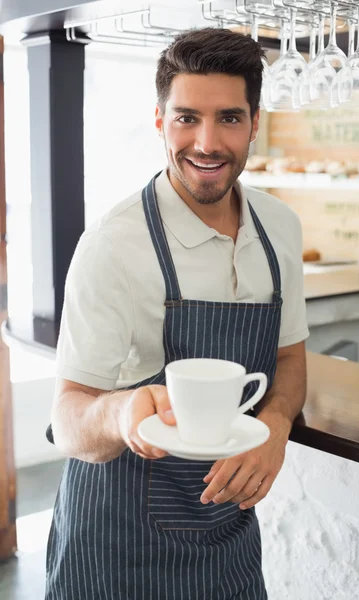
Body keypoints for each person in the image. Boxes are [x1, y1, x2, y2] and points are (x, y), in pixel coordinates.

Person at [45, 27, 309, 599]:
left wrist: (277, 424)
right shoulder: (114, 244)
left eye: (229, 119)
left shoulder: (279, 230)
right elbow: (68, 419)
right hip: (116, 548)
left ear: (255, 122)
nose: (207, 143)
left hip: (227, 537)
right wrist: (121, 415)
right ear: (160, 119)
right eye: (187, 117)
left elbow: (289, 357)